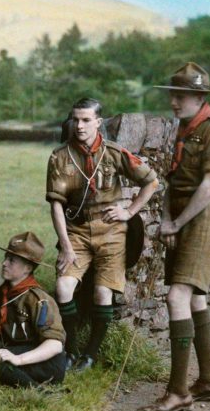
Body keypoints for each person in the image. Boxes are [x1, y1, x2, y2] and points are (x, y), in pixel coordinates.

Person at [138, 62, 210, 411]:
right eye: (172, 96)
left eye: (180, 97)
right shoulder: (185, 127)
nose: (174, 103)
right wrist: (166, 220)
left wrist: (176, 223)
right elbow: (174, 181)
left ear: (199, 96)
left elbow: (209, 187)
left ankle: (178, 392)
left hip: (202, 217)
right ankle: (209, 380)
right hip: (181, 217)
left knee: (178, 295)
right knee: (194, 299)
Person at [46, 97, 158, 371]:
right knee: (63, 286)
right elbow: (56, 206)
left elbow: (151, 181)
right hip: (77, 232)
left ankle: (90, 355)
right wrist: (66, 246)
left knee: (102, 293)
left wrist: (129, 212)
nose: (80, 126)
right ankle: (70, 350)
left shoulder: (113, 153)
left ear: (98, 122)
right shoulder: (60, 157)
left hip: (111, 232)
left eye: (86, 120)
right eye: (75, 119)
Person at [0, 232, 66, 388]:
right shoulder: (4, 291)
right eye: (6, 257)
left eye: (11, 260)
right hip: (19, 350)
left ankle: (39, 392)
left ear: (27, 268)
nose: (4, 263)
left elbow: (55, 344)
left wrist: (18, 359)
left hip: (46, 361)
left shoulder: (39, 299)